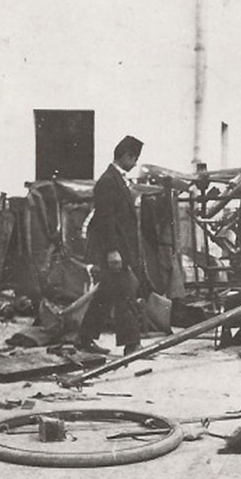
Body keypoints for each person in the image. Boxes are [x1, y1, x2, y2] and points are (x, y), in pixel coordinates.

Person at [76, 136, 147, 355]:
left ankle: (84, 339)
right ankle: (131, 344)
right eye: (134, 159)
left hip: (118, 249)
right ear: (126, 156)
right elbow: (105, 219)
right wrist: (112, 250)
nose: (135, 164)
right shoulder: (108, 181)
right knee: (125, 292)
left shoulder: (116, 179)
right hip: (113, 251)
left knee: (105, 294)